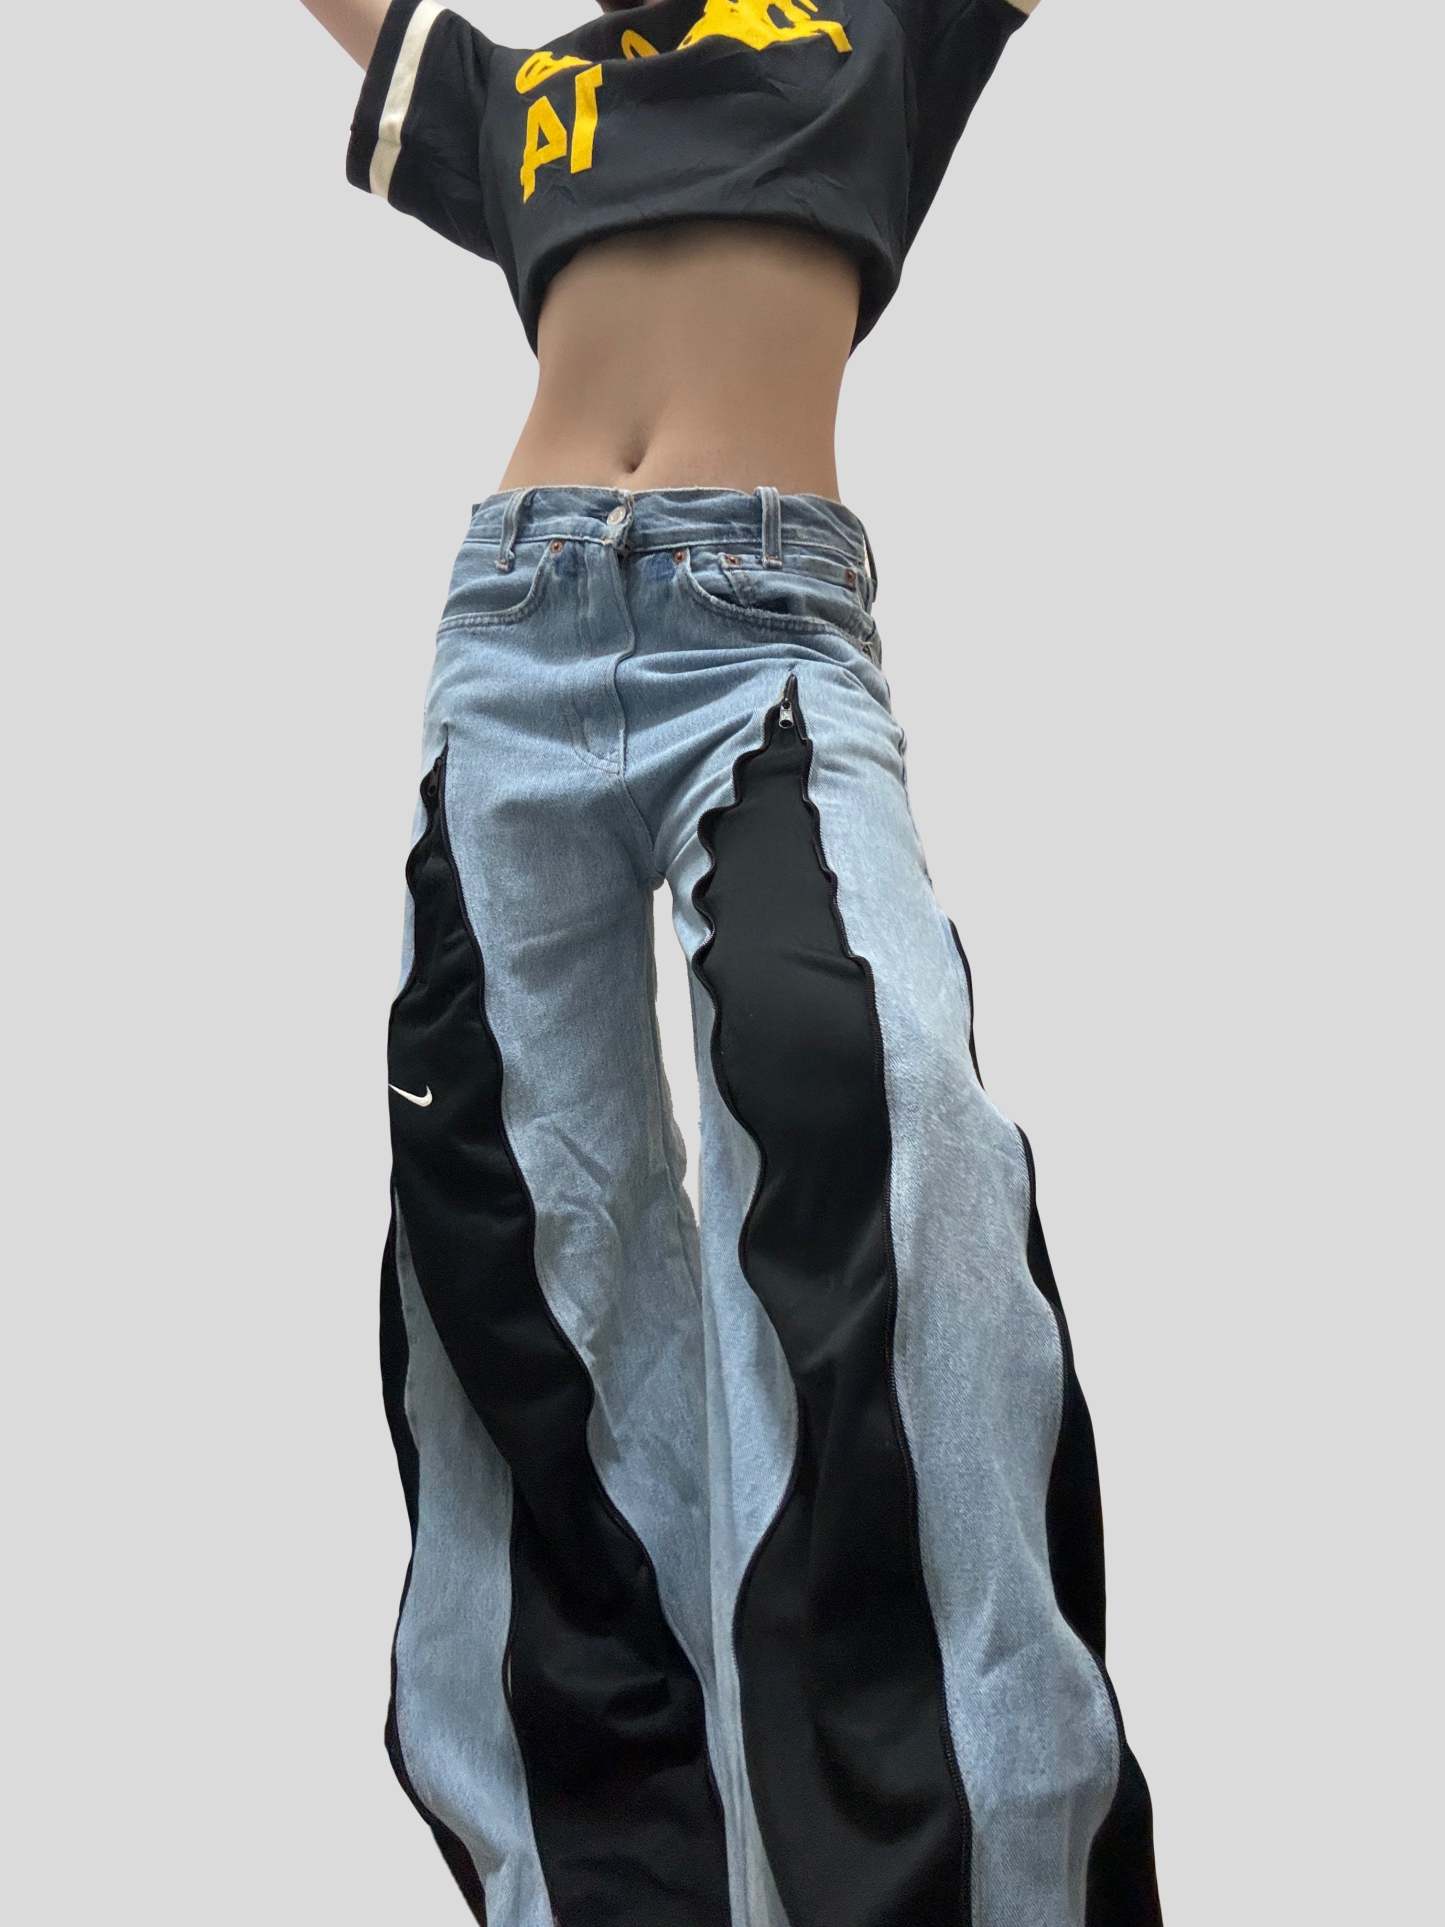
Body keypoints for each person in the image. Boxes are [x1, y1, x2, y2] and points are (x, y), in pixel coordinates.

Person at [300, 2, 1164, 1922]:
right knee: (514, 1248)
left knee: (894, 1130)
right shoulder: (527, 92)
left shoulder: (881, 30)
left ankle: (969, 1872)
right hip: (506, 630)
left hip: (759, 630)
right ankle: (616, 1887)